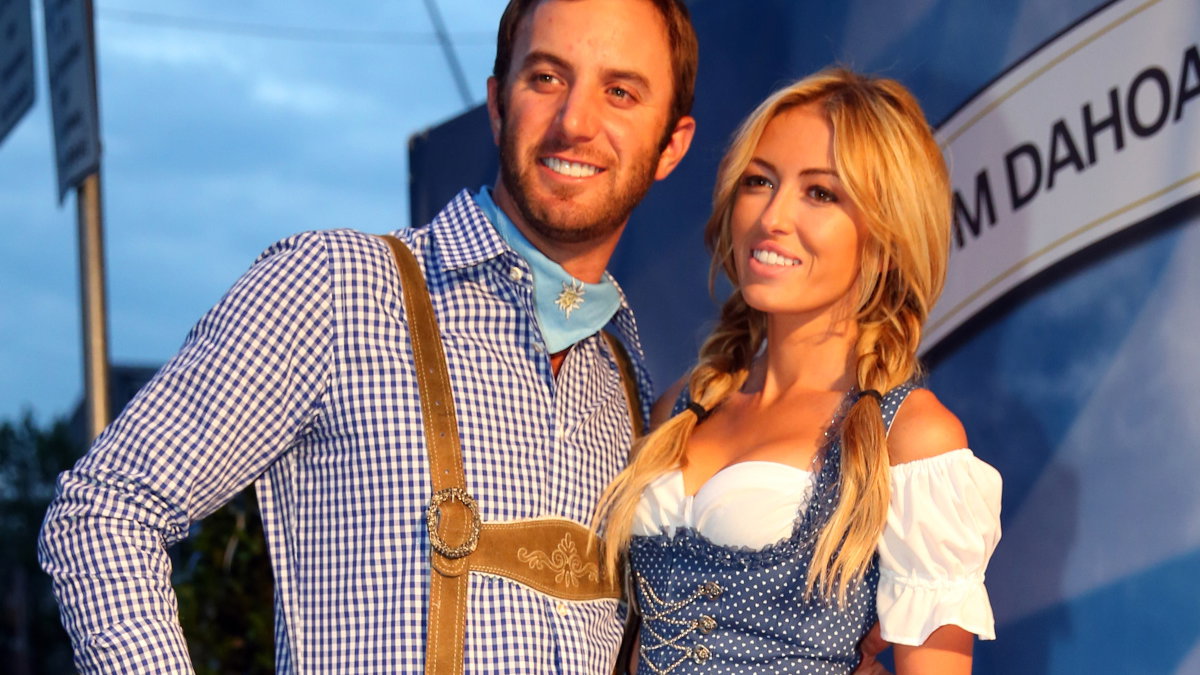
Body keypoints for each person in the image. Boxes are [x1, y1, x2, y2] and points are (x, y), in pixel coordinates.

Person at [38, 0, 697, 672]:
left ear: (672, 145)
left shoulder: (627, 381)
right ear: (499, 104)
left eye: (620, 92)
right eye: (547, 78)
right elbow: (105, 510)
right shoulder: (335, 286)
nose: (575, 121)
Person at [596, 68, 1002, 674]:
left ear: (886, 237)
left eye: (821, 193)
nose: (772, 217)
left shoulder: (910, 435)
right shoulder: (682, 405)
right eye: (759, 181)